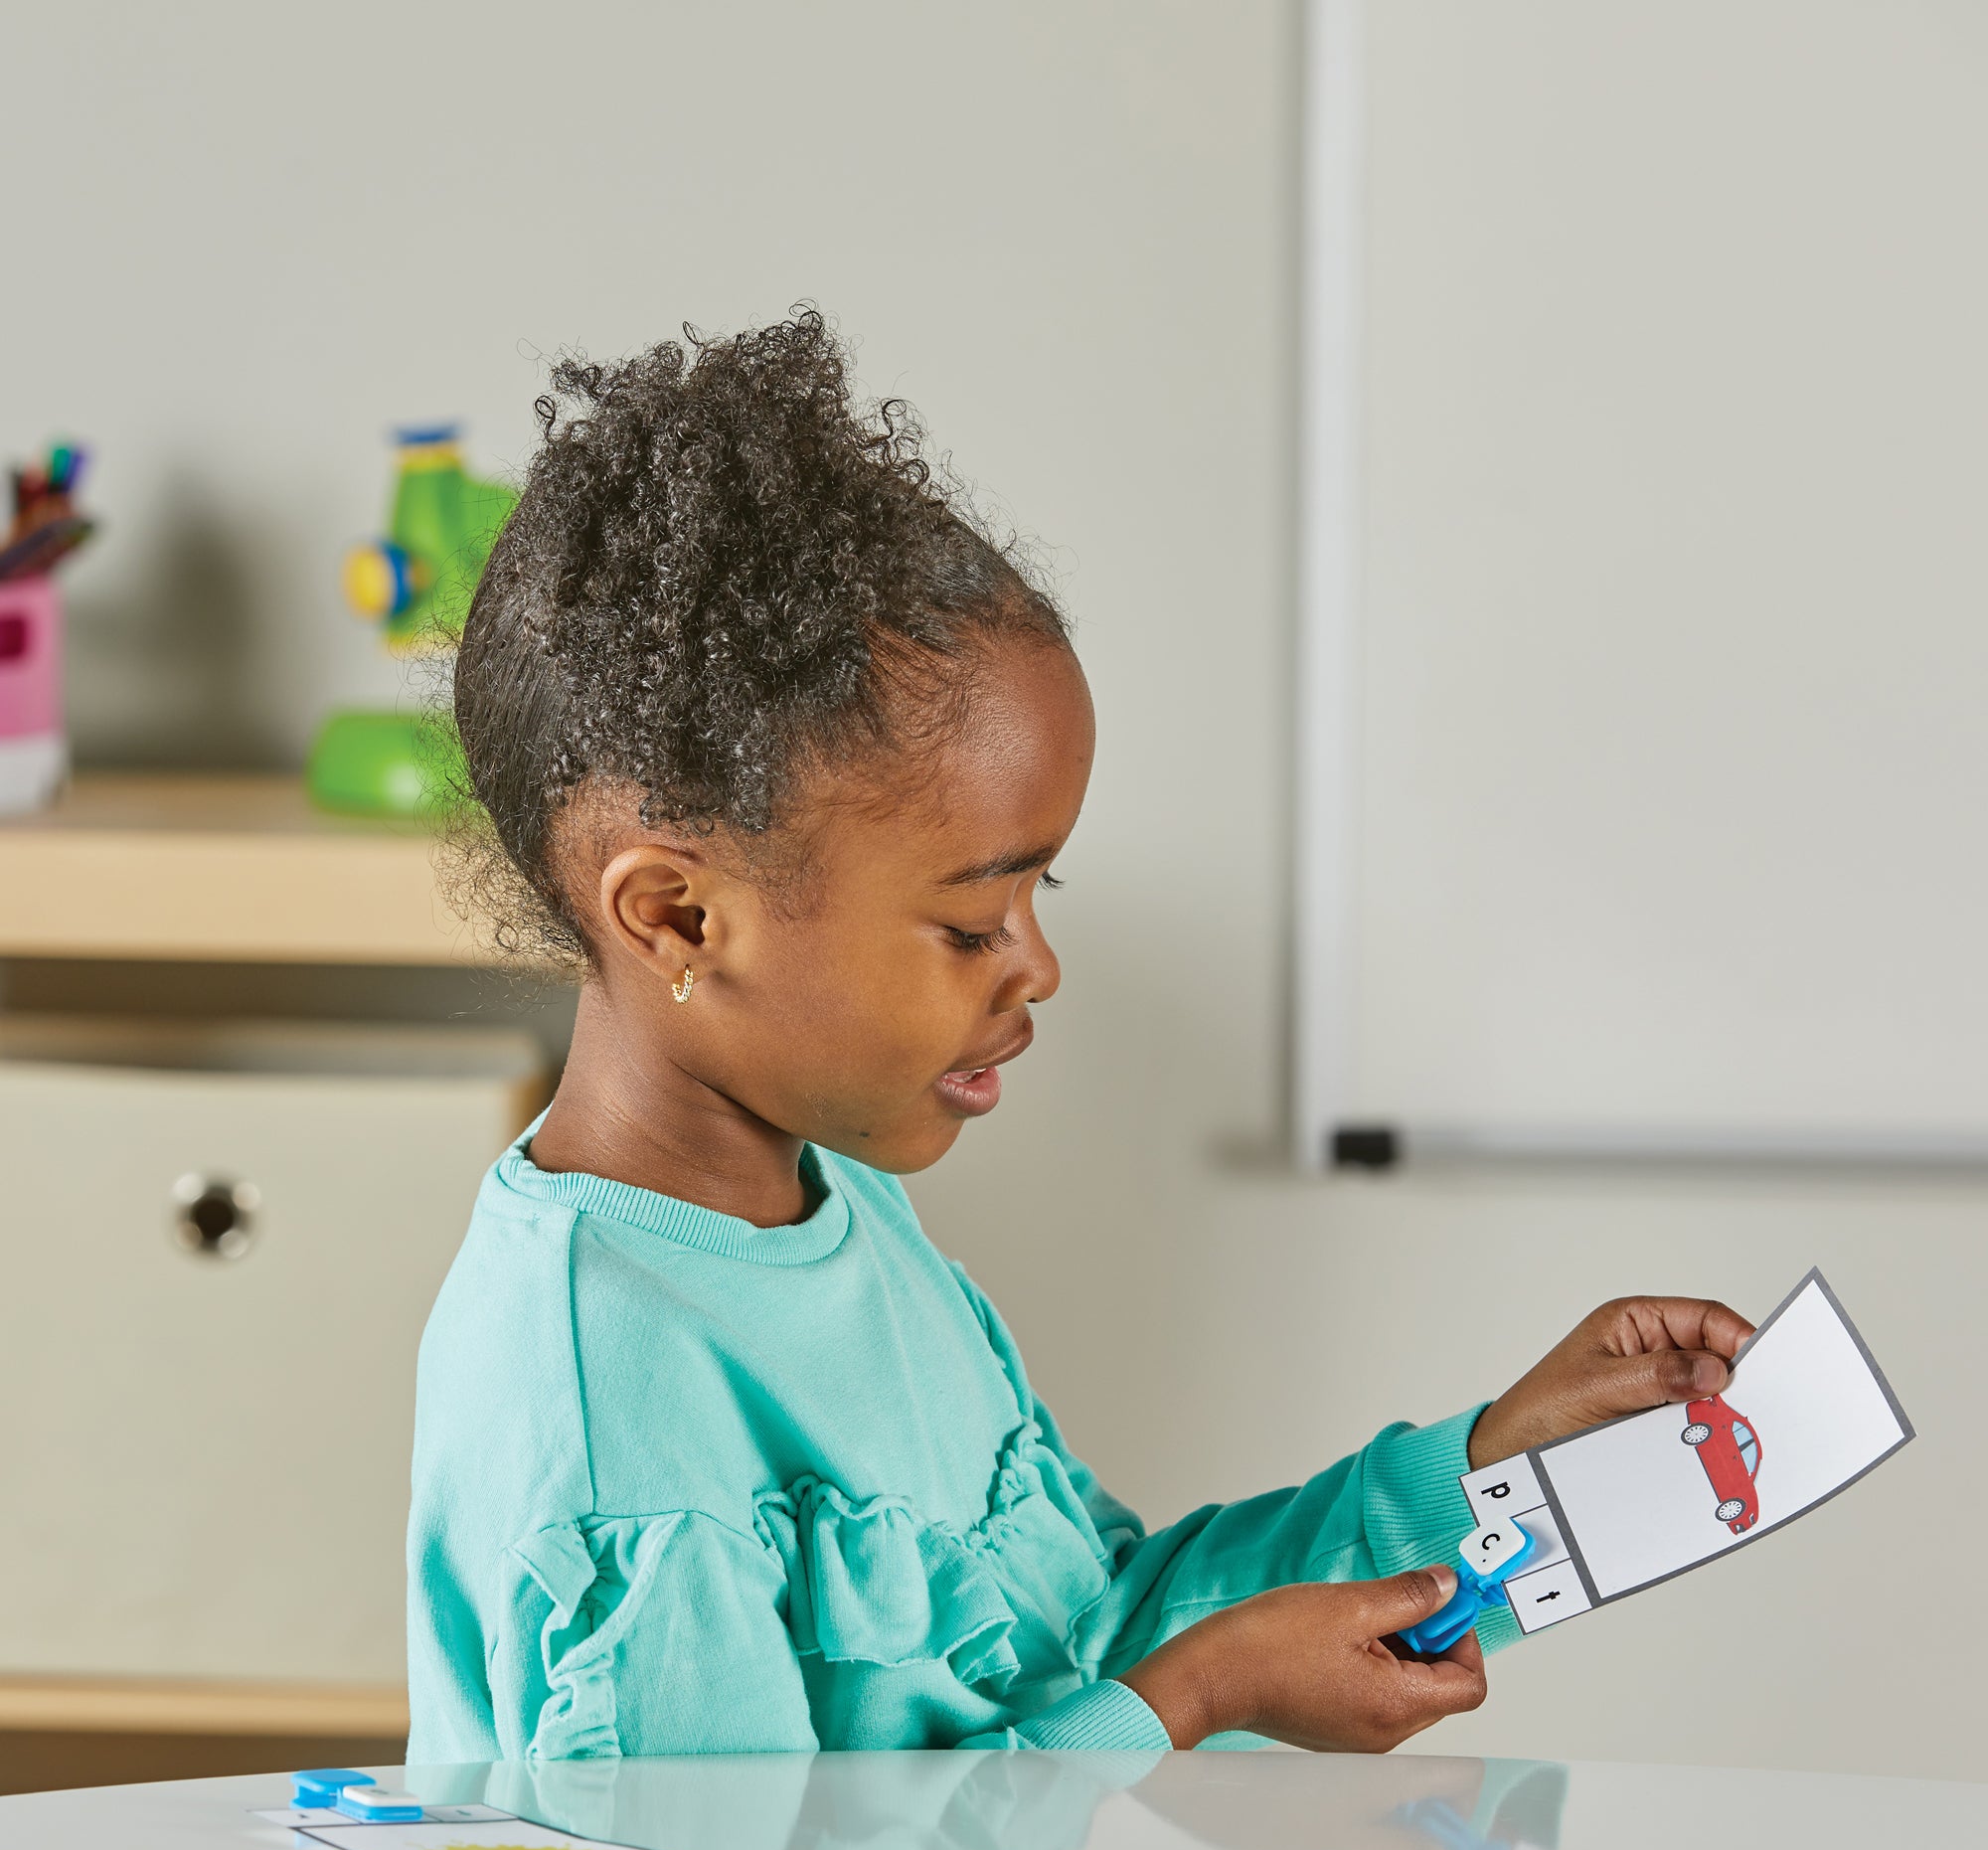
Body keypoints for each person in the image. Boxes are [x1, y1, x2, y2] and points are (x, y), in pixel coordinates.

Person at [407, 310, 1752, 1762]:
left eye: (1041, 894)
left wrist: (1479, 1475)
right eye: (972, 921)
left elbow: (1094, 1635)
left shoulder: (846, 1216)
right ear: (677, 918)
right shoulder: (613, 1405)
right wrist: (1194, 1703)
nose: (1036, 968)